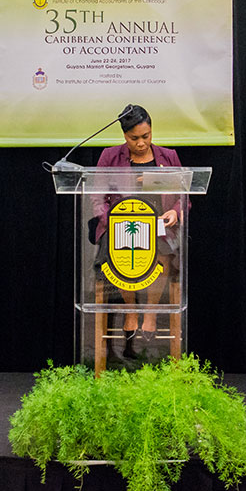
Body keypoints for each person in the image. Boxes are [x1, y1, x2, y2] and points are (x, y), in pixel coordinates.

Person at [94, 104, 185, 359]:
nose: (141, 143)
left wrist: (175, 211)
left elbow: (184, 196)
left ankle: (151, 313)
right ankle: (131, 310)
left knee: (163, 249)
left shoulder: (169, 157)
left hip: (159, 225)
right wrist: (111, 219)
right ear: (124, 135)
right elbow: (96, 197)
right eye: (134, 138)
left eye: (146, 136)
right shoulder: (109, 157)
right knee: (120, 251)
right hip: (120, 224)